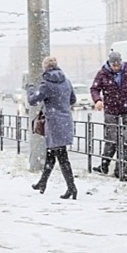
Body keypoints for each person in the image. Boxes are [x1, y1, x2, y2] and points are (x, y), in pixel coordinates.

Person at [26, 56, 78, 200]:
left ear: (45, 68)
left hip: (54, 123)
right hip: (66, 121)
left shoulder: (46, 84)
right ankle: (42, 183)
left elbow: (33, 100)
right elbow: (73, 99)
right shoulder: (66, 81)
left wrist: (30, 88)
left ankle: (72, 188)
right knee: (51, 154)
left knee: (61, 156)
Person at [90, 51, 127, 178]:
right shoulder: (103, 73)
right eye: (114, 65)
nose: (116, 67)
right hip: (111, 110)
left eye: (118, 65)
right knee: (111, 139)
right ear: (110, 63)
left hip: (126, 110)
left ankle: (120, 168)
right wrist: (98, 100)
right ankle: (104, 165)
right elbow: (94, 88)